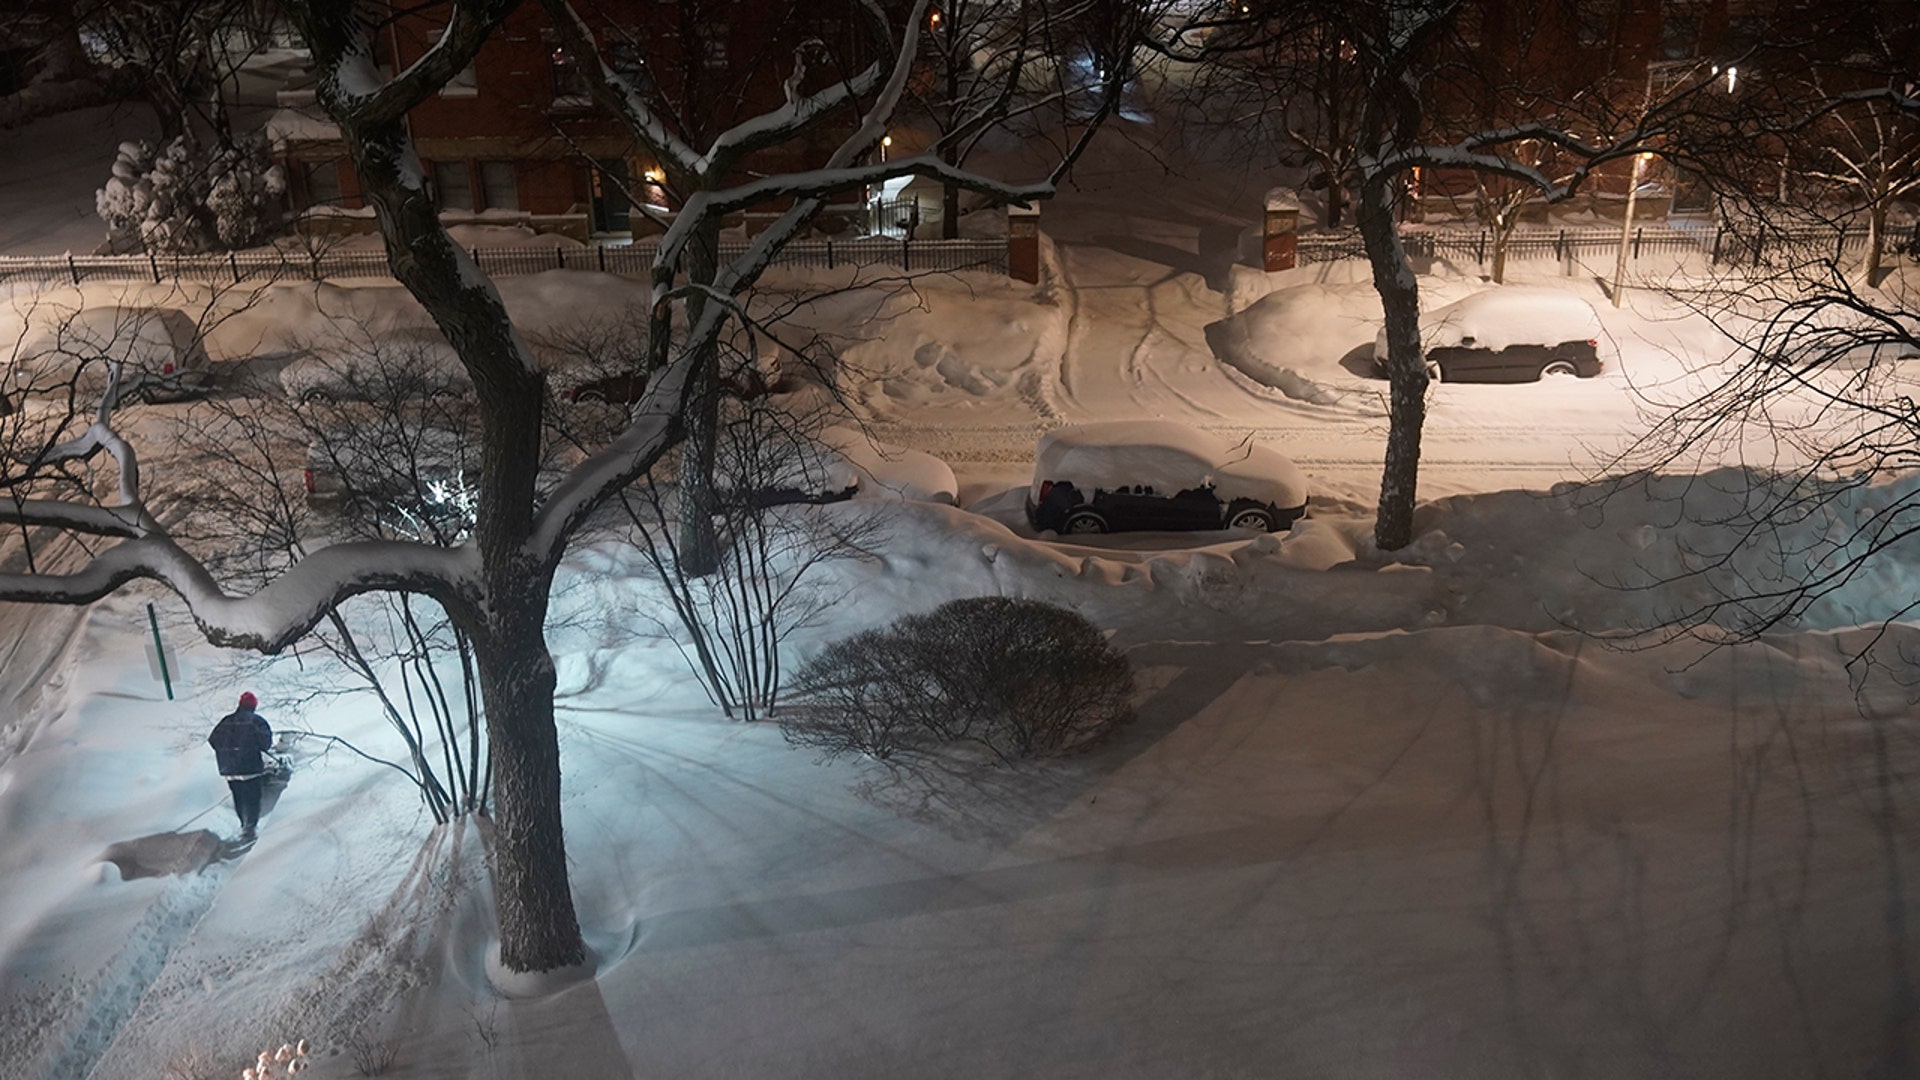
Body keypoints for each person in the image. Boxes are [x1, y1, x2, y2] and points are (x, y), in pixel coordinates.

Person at [208, 691, 273, 840]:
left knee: (239, 797)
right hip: (250, 767)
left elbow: (213, 740)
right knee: (253, 798)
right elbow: (265, 744)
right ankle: (250, 828)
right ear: (254, 706)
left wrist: (227, 752)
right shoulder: (257, 722)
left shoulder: (226, 721)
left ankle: (243, 824)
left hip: (229, 769)